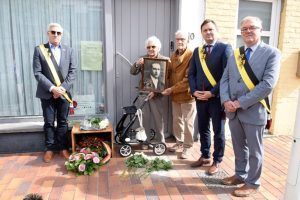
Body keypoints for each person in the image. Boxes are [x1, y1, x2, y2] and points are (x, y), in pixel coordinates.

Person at [220, 16, 281, 197]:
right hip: (233, 111)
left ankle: (252, 182)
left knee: (255, 150)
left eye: (252, 27)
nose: (247, 31)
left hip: (253, 111)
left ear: (261, 30)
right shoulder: (235, 54)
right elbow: (225, 80)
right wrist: (225, 101)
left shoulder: (272, 53)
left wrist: (240, 102)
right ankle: (240, 174)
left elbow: (268, 84)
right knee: (239, 146)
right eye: (244, 28)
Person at [188, 19, 232, 174]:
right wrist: (193, 91)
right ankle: (205, 155)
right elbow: (191, 73)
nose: (208, 32)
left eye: (211, 29)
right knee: (203, 128)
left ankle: (217, 160)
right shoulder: (197, 51)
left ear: (216, 31)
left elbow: (228, 75)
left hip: (216, 99)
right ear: (202, 33)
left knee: (218, 131)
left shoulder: (225, 48)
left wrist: (212, 92)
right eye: (205, 30)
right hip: (200, 98)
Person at [33, 23, 77, 163]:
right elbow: (37, 73)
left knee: (63, 122)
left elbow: (73, 71)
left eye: (59, 33)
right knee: (49, 122)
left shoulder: (69, 50)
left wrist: (62, 89)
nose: (56, 35)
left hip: (63, 93)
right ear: (48, 33)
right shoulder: (40, 50)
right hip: (47, 93)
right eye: (53, 32)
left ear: (62, 35)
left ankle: (63, 148)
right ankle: (50, 148)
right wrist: (53, 88)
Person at [162, 30, 196, 159]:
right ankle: (179, 142)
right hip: (175, 96)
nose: (180, 42)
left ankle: (187, 147)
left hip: (187, 96)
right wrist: (163, 65)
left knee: (188, 123)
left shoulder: (191, 55)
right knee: (177, 121)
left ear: (187, 40)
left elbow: (188, 80)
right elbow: (169, 74)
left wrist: (171, 89)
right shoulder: (173, 56)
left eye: (183, 39)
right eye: (178, 39)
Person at [130, 36, 169, 143]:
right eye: (148, 47)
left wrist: (156, 92)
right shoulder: (142, 59)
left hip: (157, 95)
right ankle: (145, 142)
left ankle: (161, 142)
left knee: (158, 119)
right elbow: (132, 72)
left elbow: (166, 80)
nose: (151, 49)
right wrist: (137, 64)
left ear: (158, 48)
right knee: (144, 119)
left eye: (153, 46)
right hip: (144, 94)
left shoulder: (165, 60)